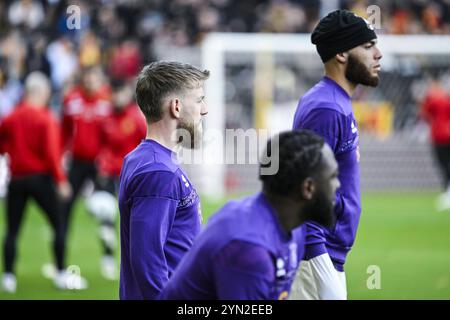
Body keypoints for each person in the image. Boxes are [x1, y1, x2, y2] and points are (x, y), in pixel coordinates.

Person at [160, 130, 340, 300]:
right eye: (332, 177)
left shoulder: (296, 229)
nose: (338, 185)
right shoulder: (250, 249)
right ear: (308, 188)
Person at [291, 9, 382, 300]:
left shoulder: (334, 101)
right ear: (341, 54)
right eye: (368, 46)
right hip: (317, 254)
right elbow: (303, 188)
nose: (378, 54)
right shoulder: (326, 108)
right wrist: (317, 257)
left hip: (326, 254)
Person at [118, 61, 209, 300]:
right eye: (199, 100)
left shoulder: (149, 159)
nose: (205, 109)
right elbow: (147, 261)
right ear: (176, 106)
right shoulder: (158, 171)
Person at [0, 72, 80, 292]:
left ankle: (8, 276)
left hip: (16, 178)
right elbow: (51, 154)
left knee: (12, 230)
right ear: (41, 92)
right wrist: (61, 180)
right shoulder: (45, 119)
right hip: (40, 178)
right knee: (59, 224)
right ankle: (62, 272)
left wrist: (11, 153)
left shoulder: (11, 116)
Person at [85, 80, 146, 280]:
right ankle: (108, 258)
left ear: (128, 95)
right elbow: (101, 145)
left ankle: (135, 261)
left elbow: (144, 145)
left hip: (131, 174)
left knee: (133, 219)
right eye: (116, 93)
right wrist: (101, 163)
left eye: (122, 93)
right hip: (109, 173)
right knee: (106, 214)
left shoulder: (136, 118)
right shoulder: (106, 118)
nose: (118, 97)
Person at [60, 65, 112, 279]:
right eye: (88, 78)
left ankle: (108, 257)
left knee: (107, 211)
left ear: (100, 80)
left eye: (95, 78)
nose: (91, 82)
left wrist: (106, 160)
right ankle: (60, 264)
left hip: (99, 164)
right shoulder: (71, 100)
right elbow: (62, 130)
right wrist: (61, 155)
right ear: (83, 79)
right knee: (64, 210)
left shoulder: (106, 101)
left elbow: (112, 134)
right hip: (77, 163)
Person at [420, 76, 450, 211]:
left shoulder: (432, 99)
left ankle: (447, 191)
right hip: (444, 135)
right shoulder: (446, 98)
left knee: (443, 165)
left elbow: (424, 114)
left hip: (439, 136)